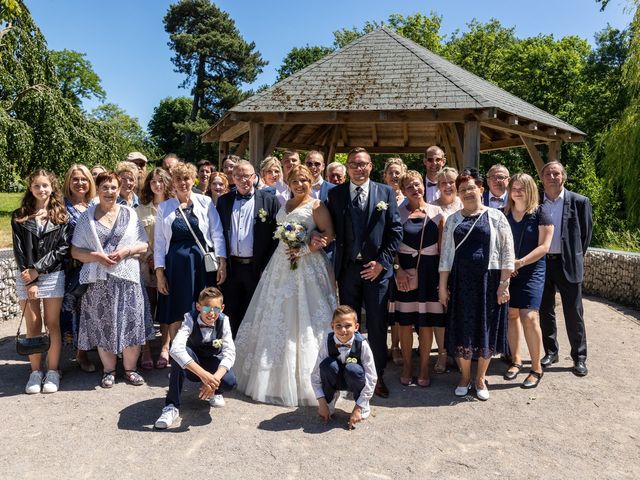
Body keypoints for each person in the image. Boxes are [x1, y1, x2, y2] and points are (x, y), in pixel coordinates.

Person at [234, 165, 337, 406]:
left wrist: (306, 248)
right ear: (288, 183)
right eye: (295, 181)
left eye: (304, 180)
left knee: (303, 319)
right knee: (277, 316)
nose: (299, 185)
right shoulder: (284, 204)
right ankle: (268, 377)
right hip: (281, 263)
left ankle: (310, 381)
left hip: (308, 266)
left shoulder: (316, 206)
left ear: (310, 182)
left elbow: (329, 234)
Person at [326, 147, 403, 398]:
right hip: (348, 271)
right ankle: (350, 374)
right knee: (347, 326)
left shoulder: (385, 192)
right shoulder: (335, 195)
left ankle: (377, 376)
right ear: (347, 167)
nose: (359, 169)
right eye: (354, 164)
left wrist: (382, 263)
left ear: (371, 166)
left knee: (378, 326)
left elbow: (395, 232)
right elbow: (328, 229)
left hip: (377, 271)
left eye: (363, 164)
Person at [71, 172, 152, 388]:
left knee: (131, 323)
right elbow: (75, 251)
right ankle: (108, 371)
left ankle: (130, 369)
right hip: (99, 279)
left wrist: (126, 251)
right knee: (103, 323)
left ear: (119, 189)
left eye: (113, 187)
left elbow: (144, 245)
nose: (110, 192)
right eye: (105, 187)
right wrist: (96, 256)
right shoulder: (86, 218)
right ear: (97, 189)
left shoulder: (130, 214)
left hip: (128, 278)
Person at [438, 174, 514, 401]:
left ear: (481, 189)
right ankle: (464, 376)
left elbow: (507, 253)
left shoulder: (496, 216)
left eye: (472, 188)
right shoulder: (452, 219)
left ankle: (480, 378)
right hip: (460, 283)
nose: (468, 192)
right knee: (462, 327)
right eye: (463, 189)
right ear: (458, 194)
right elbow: (446, 256)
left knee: (485, 328)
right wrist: (442, 286)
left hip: (488, 282)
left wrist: (504, 284)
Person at [155, 162, 227, 345]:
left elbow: (217, 233)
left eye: (186, 178)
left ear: (192, 179)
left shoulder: (206, 202)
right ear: (173, 182)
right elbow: (159, 242)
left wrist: (222, 262)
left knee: (204, 305)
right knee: (177, 309)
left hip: (201, 264)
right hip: (175, 267)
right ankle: (177, 352)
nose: (182, 183)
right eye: (178, 179)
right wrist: (160, 273)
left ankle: (202, 349)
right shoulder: (164, 207)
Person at [12, 170, 70, 394]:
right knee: (33, 324)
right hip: (26, 277)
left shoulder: (61, 215)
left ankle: (53, 371)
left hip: (52, 275)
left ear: (52, 187)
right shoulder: (20, 216)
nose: (41, 190)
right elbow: (18, 250)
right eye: (37, 186)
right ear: (30, 188)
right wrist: (30, 278)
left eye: (45, 185)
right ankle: (35, 372)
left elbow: (63, 248)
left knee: (52, 324)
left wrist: (39, 269)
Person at [389, 171, 444, 387]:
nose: (415, 189)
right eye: (409, 186)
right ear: (402, 191)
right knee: (405, 322)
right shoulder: (396, 213)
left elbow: (442, 249)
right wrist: (398, 270)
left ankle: (423, 367)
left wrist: (442, 280)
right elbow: (390, 247)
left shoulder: (437, 213)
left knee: (426, 323)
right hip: (405, 273)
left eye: (418, 184)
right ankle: (407, 366)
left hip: (430, 273)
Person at [154, 287, 237, 430]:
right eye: (206, 308)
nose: (211, 313)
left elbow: (230, 352)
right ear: (198, 307)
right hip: (194, 363)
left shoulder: (224, 321)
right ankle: (171, 406)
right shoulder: (189, 318)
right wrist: (204, 375)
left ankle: (214, 391)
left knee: (230, 382)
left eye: (216, 309)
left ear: (222, 308)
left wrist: (213, 380)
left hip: (211, 361)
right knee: (179, 355)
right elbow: (176, 349)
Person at [539, 161, 593, 376]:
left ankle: (579, 357)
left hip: (568, 263)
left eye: (556, 173)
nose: (552, 177)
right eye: (548, 174)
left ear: (564, 177)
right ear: (542, 178)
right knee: (545, 311)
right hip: (542, 264)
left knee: (574, 312)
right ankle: (551, 352)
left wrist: (574, 256)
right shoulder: (537, 203)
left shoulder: (579, 202)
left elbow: (585, 235)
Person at [216, 160, 279, 336]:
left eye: (247, 176)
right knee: (231, 311)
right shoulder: (224, 202)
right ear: (233, 178)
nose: (244, 180)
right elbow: (218, 233)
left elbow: (276, 237)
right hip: (232, 267)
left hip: (256, 267)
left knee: (255, 312)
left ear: (254, 177)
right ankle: (231, 351)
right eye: (239, 176)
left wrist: (266, 267)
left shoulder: (269, 200)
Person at [503, 173, 554, 388]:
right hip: (508, 270)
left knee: (529, 316)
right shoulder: (502, 214)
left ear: (530, 190)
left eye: (521, 187)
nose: (517, 191)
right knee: (511, 314)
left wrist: (520, 262)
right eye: (513, 187)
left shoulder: (541, 214)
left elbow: (544, 247)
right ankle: (516, 361)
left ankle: (536, 368)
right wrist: (508, 265)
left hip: (531, 270)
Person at [311, 305, 377, 429]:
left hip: (354, 378)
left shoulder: (362, 344)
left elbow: (372, 376)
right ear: (332, 326)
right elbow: (315, 375)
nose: (343, 330)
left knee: (353, 369)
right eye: (338, 326)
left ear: (356, 327)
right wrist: (321, 402)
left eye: (348, 326)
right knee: (326, 366)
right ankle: (329, 399)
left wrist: (358, 407)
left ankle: (361, 402)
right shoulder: (327, 342)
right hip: (334, 377)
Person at [61, 164, 97, 374]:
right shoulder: (61, 206)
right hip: (71, 266)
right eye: (75, 179)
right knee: (73, 309)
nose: (80, 183)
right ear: (69, 182)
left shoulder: (96, 204)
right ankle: (79, 354)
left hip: (95, 265)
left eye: (84, 179)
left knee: (91, 309)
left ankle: (89, 350)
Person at [137, 168, 173, 369]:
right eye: (153, 182)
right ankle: (145, 349)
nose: (157, 185)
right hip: (146, 266)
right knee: (147, 307)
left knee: (166, 307)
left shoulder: (174, 206)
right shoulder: (140, 209)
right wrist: (150, 258)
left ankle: (165, 347)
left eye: (161, 181)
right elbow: (137, 238)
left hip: (170, 265)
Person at [382, 157, 407, 367]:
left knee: (400, 306)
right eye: (391, 172)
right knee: (386, 306)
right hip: (384, 257)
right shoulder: (379, 195)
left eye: (398, 172)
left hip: (405, 259)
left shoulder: (408, 199)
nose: (394, 176)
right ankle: (387, 345)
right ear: (384, 176)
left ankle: (397, 346)